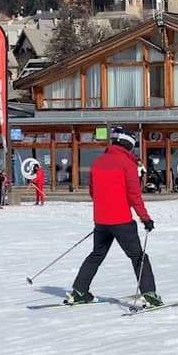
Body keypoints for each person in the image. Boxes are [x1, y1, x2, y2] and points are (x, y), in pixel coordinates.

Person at [66, 127, 161, 307]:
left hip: (101, 221)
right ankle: (149, 295)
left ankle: (79, 291)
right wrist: (145, 218)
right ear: (129, 145)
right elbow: (134, 196)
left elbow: (93, 192)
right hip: (122, 221)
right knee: (138, 257)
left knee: (96, 255)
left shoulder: (97, 162)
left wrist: (105, 210)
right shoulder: (127, 164)